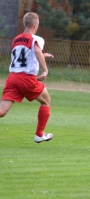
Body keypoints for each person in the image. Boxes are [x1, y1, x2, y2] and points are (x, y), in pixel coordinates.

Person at [0, 12, 54, 143]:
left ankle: (40, 134)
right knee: (46, 101)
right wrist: (45, 70)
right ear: (35, 25)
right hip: (26, 78)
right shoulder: (36, 39)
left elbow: (23, 55)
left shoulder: (16, 39)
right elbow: (35, 50)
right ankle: (39, 134)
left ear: (25, 24)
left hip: (12, 77)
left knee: (2, 111)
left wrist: (42, 55)